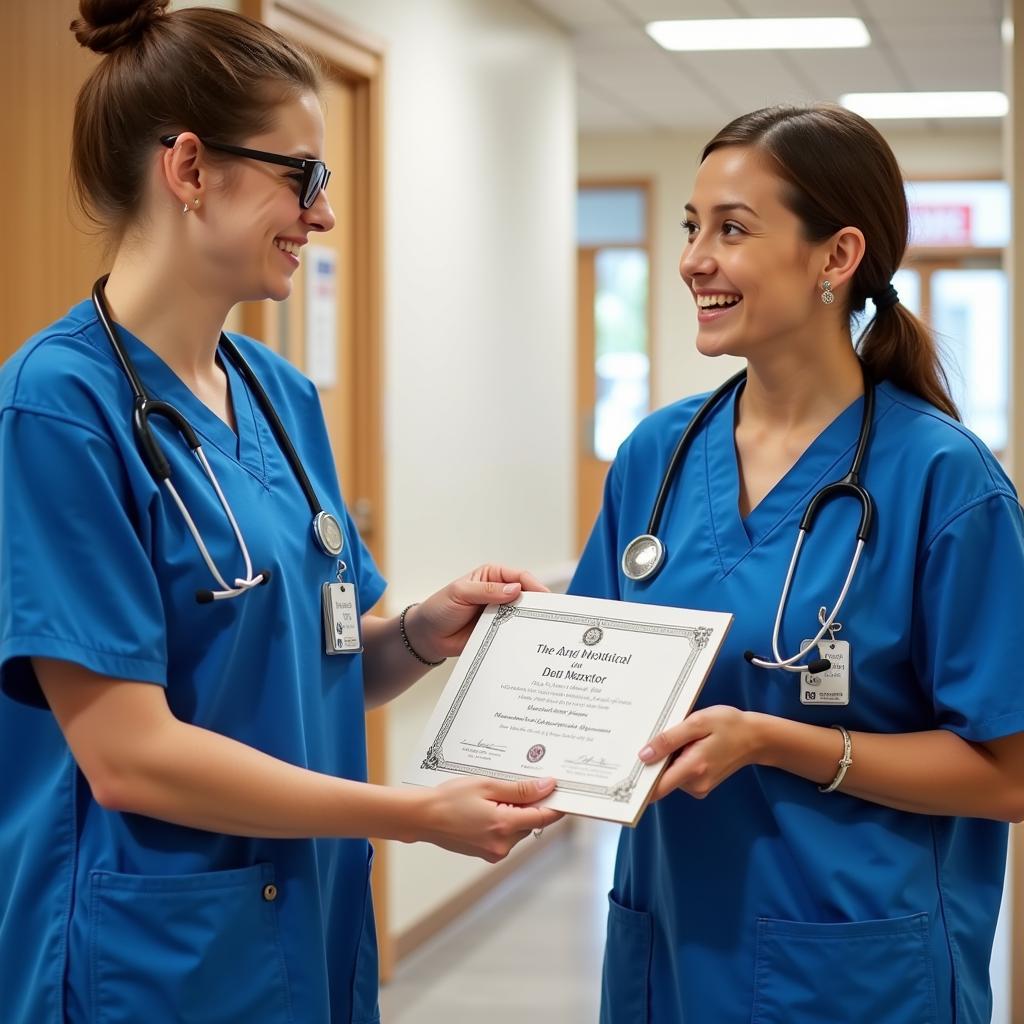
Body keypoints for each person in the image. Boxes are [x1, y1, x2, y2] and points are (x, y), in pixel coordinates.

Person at [0, 3, 560, 1022]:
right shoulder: (57, 407)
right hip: (150, 952)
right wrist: (410, 815)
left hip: (298, 917)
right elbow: (126, 756)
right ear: (190, 169)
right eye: (303, 176)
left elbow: (320, 666)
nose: (323, 214)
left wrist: (420, 636)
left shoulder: (276, 393)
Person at [570, 104, 1024, 1024]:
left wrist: (776, 742)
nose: (696, 257)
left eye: (732, 229)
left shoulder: (944, 479)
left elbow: (1007, 775)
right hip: (671, 938)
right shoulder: (656, 456)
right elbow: (596, 681)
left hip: (854, 960)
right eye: (692, 227)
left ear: (836, 256)